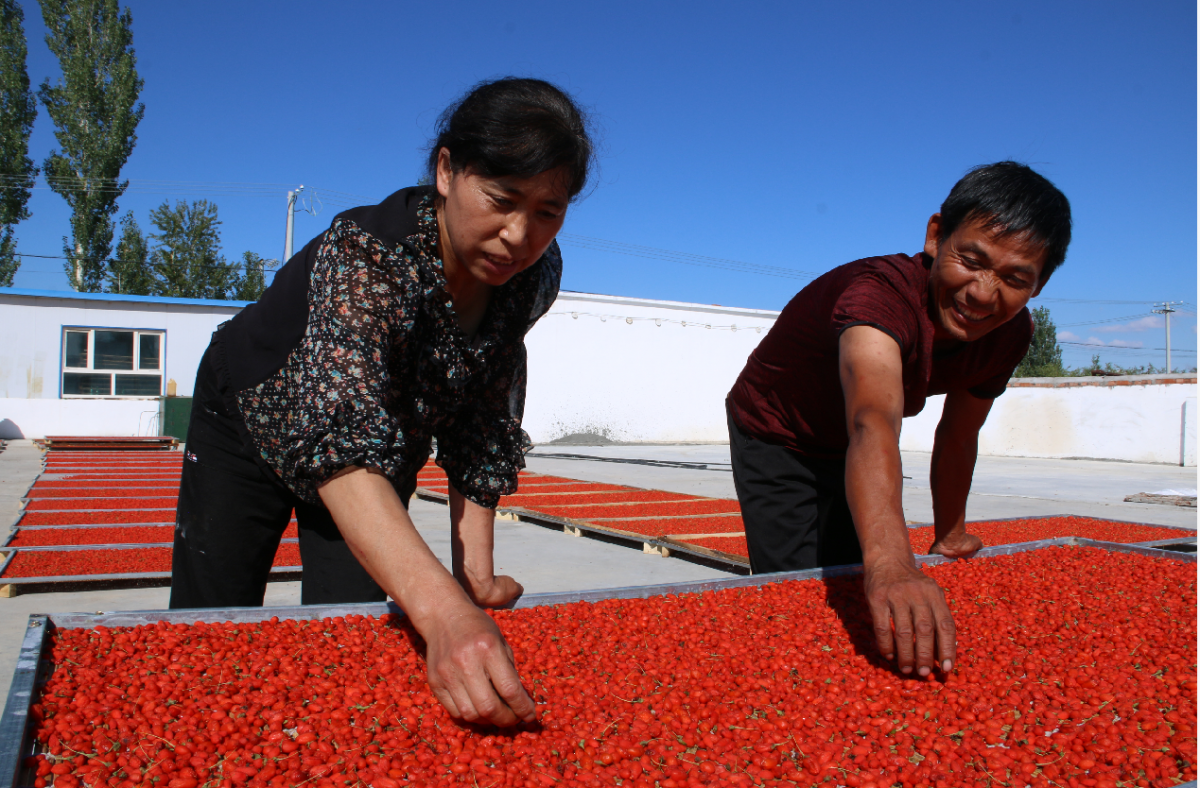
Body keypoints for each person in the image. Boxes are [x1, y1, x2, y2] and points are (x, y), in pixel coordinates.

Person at [169, 77, 594, 727]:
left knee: (361, 628)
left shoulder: (534, 276)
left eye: (548, 211)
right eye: (502, 199)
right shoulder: (368, 256)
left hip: (382, 432)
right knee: (212, 626)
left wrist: (471, 578)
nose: (519, 234)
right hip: (252, 417)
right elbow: (335, 437)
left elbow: (484, 406)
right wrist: (447, 611)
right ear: (447, 171)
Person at [726, 161, 1071, 678]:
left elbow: (959, 433)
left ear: (1038, 286)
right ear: (936, 236)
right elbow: (872, 419)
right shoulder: (877, 297)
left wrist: (950, 532)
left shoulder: (1010, 335)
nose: (981, 292)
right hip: (779, 433)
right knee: (800, 598)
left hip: (850, 445)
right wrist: (892, 563)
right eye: (971, 260)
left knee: (854, 580)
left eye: (1015, 278)